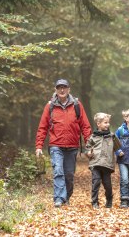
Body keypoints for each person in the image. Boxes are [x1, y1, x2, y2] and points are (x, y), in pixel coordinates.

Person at [35, 79, 92, 207]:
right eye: (59, 87)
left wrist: (89, 145)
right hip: (56, 145)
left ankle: (66, 197)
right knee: (58, 171)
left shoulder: (77, 105)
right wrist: (39, 146)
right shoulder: (50, 106)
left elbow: (85, 126)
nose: (62, 90)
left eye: (64, 87)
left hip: (72, 146)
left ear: (68, 89)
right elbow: (42, 127)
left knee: (69, 175)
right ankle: (59, 199)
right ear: (55, 90)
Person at [86, 112, 122, 209]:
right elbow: (87, 148)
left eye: (108, 122)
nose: (108, 124)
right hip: (95, 163)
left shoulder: (111, 136)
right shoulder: (93, 137)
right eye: (105, 123)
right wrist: (88, 153)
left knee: (107, 185)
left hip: (107, 164)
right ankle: (94, 202)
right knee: (96, 182)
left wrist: (119, 152)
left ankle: (109, 201)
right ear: (98, 124)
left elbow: (118, 147)